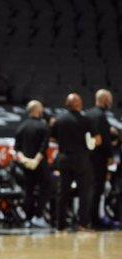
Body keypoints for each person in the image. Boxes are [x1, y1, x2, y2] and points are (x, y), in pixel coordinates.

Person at [51, 93, 101, 231]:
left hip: (64, 158)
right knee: (84, 192)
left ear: (67, 104)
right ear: (79, 104)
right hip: (81, 159)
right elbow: (97, 139)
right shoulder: (86, 120)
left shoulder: (59, 120)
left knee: (63, 192)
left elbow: (52, 139)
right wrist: (90, 143)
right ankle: (83, 224)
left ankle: (60, 225)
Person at [14, 100, 50, 228]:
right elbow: (44, 147)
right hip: (39, 164)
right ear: (36, 110)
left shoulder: (21, 127)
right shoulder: (43, 126)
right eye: (41, 109)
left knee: (28, 191)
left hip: (25, 164)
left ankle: (27, 219)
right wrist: (35, 160)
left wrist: (24, 160)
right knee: (44, 190)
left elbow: (16, 148)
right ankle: (38, 216)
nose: (42, 111)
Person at [86, 89, 114, 227]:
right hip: (99, 158)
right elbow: (103, 139)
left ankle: (88, 219)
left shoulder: (88, 114)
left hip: (87, 157)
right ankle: (94, 220)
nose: (111, 102)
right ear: (104, 100)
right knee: (97, 190)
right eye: (110, 99)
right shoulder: (100, 116)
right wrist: (109, 156)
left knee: (90, 189)